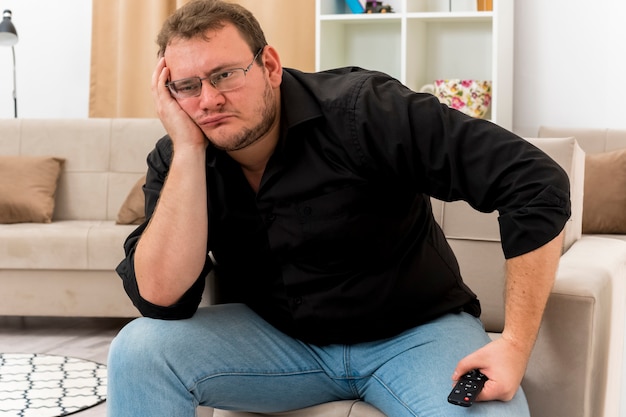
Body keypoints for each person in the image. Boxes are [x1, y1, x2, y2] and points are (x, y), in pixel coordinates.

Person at [107, 1, 570, 416]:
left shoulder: (364, 110)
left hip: (416, 334)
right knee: (139, 349)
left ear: (269, 65)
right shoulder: (178, 158)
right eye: (187, 86)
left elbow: (533, 181)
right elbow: (160, 297)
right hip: (278, 343)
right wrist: (188, 149)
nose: (208, 100)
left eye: (225, 74)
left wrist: (513, 344)